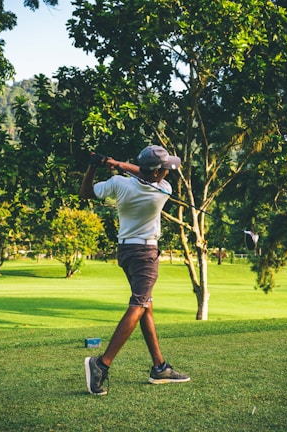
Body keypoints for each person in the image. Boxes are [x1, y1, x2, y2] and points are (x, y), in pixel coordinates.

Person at [80, 145, 191, 396]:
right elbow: (143, 173)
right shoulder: (163, 191)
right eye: (164, 169)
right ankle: (102, 364)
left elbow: (86, 193)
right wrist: (116, 161)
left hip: (126, 252)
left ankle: (159, 367)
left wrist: (96, 164)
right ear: (155, 174)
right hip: (146, 255)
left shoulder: (119, 183)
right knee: (138, 305)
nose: (167, 172)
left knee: (146, 305)